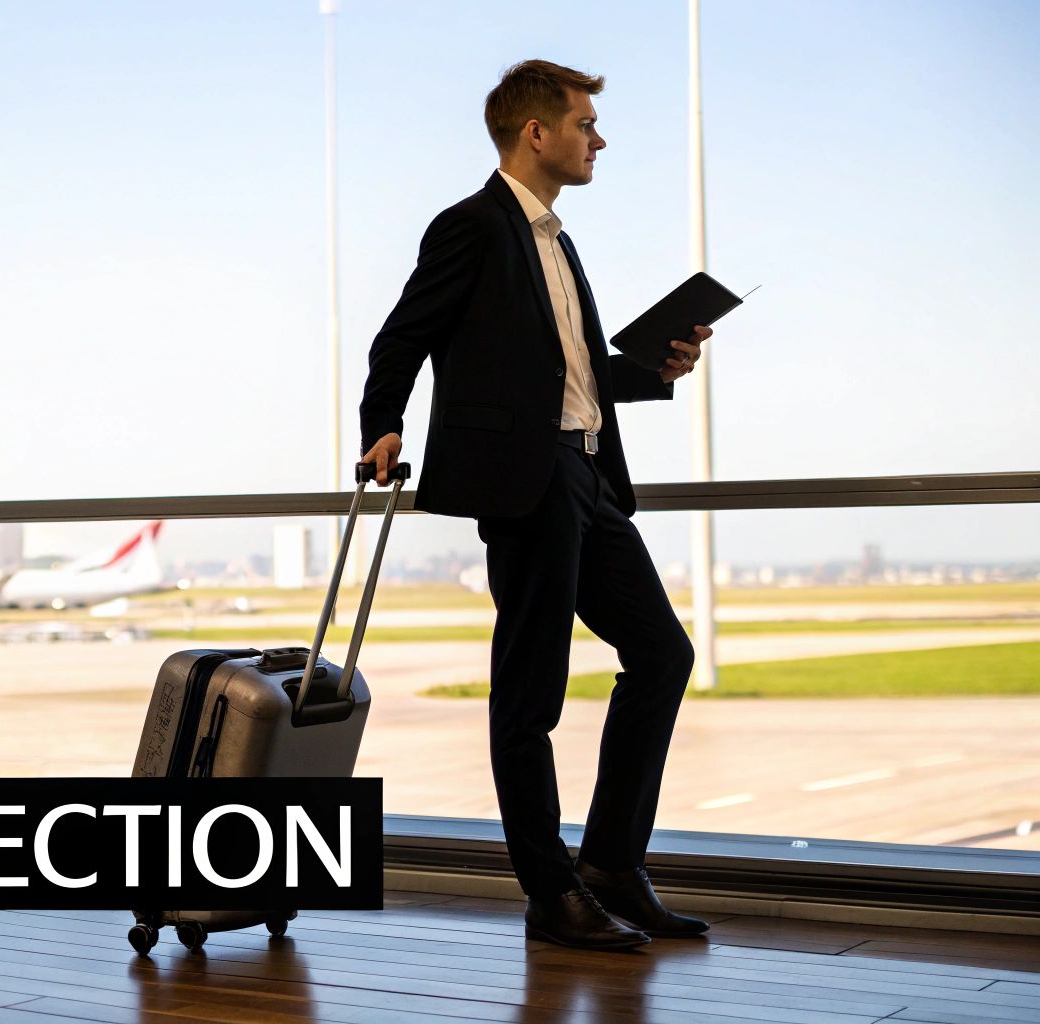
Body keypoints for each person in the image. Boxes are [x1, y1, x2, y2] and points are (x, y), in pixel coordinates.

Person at [357, 59, 713, 951]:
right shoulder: (470, 227)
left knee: (664, 656)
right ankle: (550, 892)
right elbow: (403, 334)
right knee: (530, 696)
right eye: (586, 123)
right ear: (537, 134)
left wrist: (653, 371)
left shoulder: (559, 241)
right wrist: (383, 424)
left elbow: (573, 370)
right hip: (526, 482)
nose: (600, 138)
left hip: (589, 476)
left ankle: (608, 866)